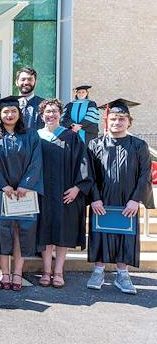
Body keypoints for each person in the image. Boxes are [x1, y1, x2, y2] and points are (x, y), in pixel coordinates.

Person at [86, 99, 154, 295]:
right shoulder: (95, 144)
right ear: (107, 121)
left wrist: (136, 199)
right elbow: (89, 174)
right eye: (113, 118)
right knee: (100, 234)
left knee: (126, 236)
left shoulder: (139, 145)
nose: (117, 122)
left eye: (122, 119)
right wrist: (95, 198)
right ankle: (98, 271)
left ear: (129, 122)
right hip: (102, 200)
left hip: (128, 200)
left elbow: (145, 174)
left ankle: (122, 274)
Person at [0, 95, 43, 291]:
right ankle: (4, 272)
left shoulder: (31, 135)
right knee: (3, 233)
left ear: (19, 114)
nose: (9, 114)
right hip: (2, 193)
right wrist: (3, 185)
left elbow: (36, 162)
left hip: (25, 194)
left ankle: (17, 272)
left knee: (22, 233)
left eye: (13, 111)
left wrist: (26, 185)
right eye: (6, 111)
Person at [36, 99, 91, 288]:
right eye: (47, 112)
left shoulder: (72, 137)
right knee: (44, 231)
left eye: (54, 111)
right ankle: (46, 270)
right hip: (42, 193)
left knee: (62, 231)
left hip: (65, 192)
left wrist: (78, 187)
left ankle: (58, 271)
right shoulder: (36, 137)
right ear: (41, 115)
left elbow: (83, 163)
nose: (51, 115)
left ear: (60, 114)